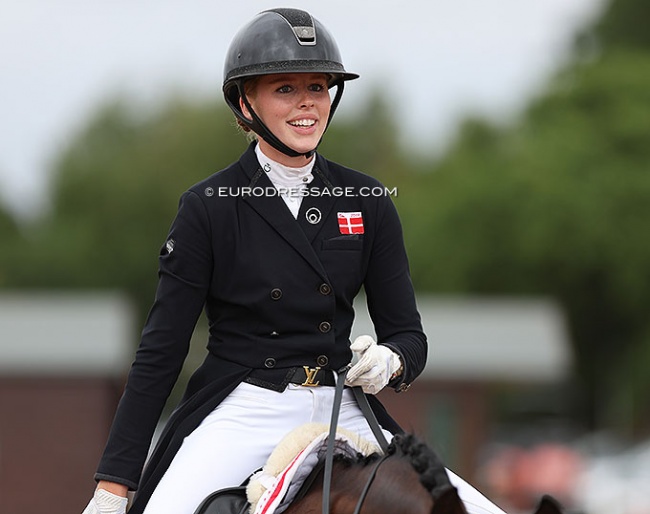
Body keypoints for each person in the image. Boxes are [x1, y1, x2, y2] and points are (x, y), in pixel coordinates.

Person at [81, 8, 506, 514]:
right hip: (244, 406)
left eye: (318, 87)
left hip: (342, 405)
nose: (307, 103)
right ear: (246, 102)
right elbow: (160, 352)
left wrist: (389, 362)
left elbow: (410, 336)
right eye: (285, 88)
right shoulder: (207, 206)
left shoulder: (368, 200)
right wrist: (114, 482)